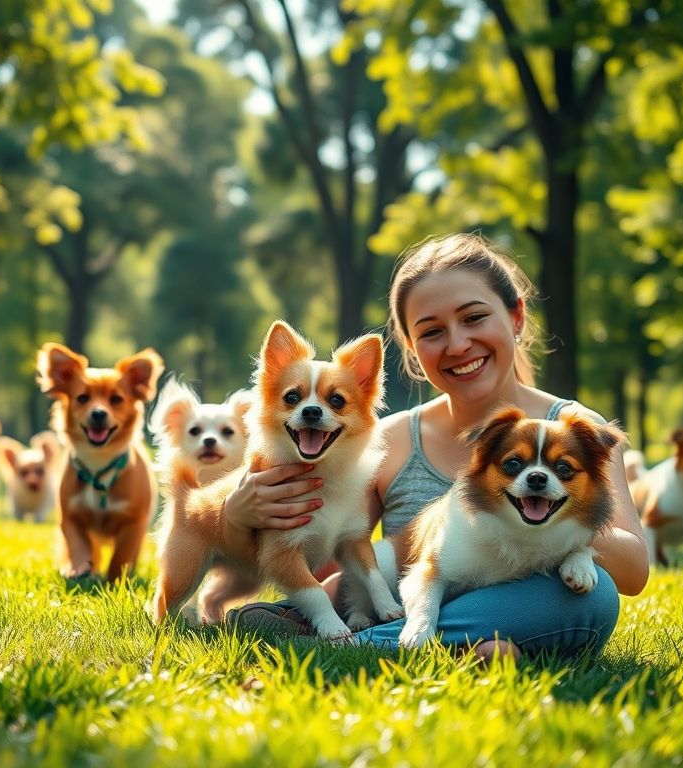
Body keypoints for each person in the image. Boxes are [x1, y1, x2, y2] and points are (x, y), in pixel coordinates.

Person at [222, 232, 649, 660]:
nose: (458, 344)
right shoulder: (379, 441)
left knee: (594, 597)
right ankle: (457, 647)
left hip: (529, 606)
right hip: (416, 603)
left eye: (474, 318)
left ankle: (364, 650)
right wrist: (237, 518)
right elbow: (327, 558)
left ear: (516, 317)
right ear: (411, 348)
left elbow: (633, 572)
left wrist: (555, 524)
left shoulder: (578, 433)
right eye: (431, 332)